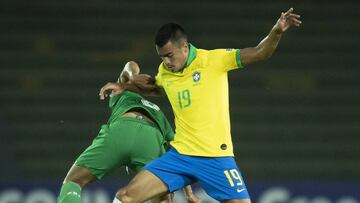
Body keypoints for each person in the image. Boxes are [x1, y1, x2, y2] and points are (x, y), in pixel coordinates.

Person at [100, 8, 301, 203]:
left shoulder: (214, 60)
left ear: (184, 47)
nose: (166, 61)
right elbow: (154, 88)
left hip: (216, 157)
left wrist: (276, 31)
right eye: (162, 57)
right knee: (125, 197)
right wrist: (123, 85)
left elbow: (259, 52)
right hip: (181, 156)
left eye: (170, 55)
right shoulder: (166, 72)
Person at [58, 61, 200, 203]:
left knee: (74, 181)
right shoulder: (158, 112)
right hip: (151, 140)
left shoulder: (122, 92)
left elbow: (130, 65)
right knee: (163, 196)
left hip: (122, 130)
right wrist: (189, 194)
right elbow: (178, 151)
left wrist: (132, 77)